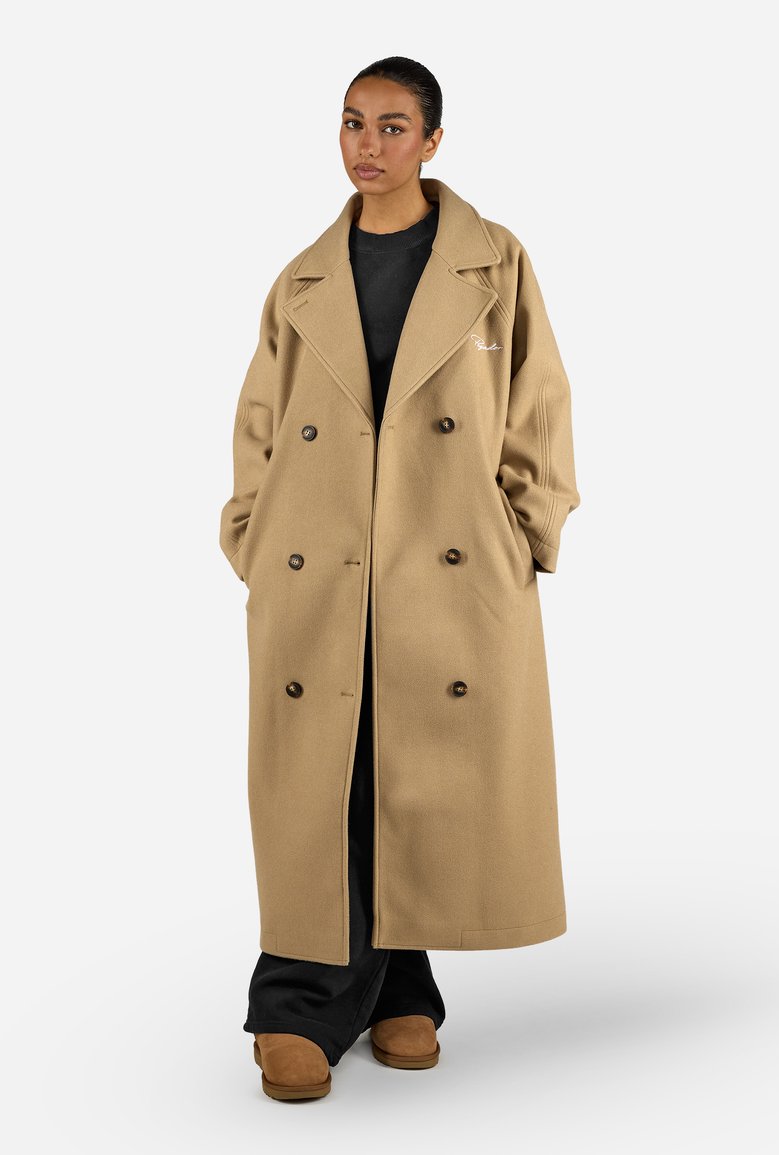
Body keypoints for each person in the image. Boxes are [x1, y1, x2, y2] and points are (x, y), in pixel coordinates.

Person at [219, 56, 580, 1102]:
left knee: (410, 765)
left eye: (389, 126)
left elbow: (539, 403)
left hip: (446, 560)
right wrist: (253, 535)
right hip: (318, 562)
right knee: (324, 772)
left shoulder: (493, 260)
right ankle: (296, 1002)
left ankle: (396, 984)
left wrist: (525, 529)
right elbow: (260, 422)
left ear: (432, 140)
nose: (365, 145)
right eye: (351, 123)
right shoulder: (303, 278)